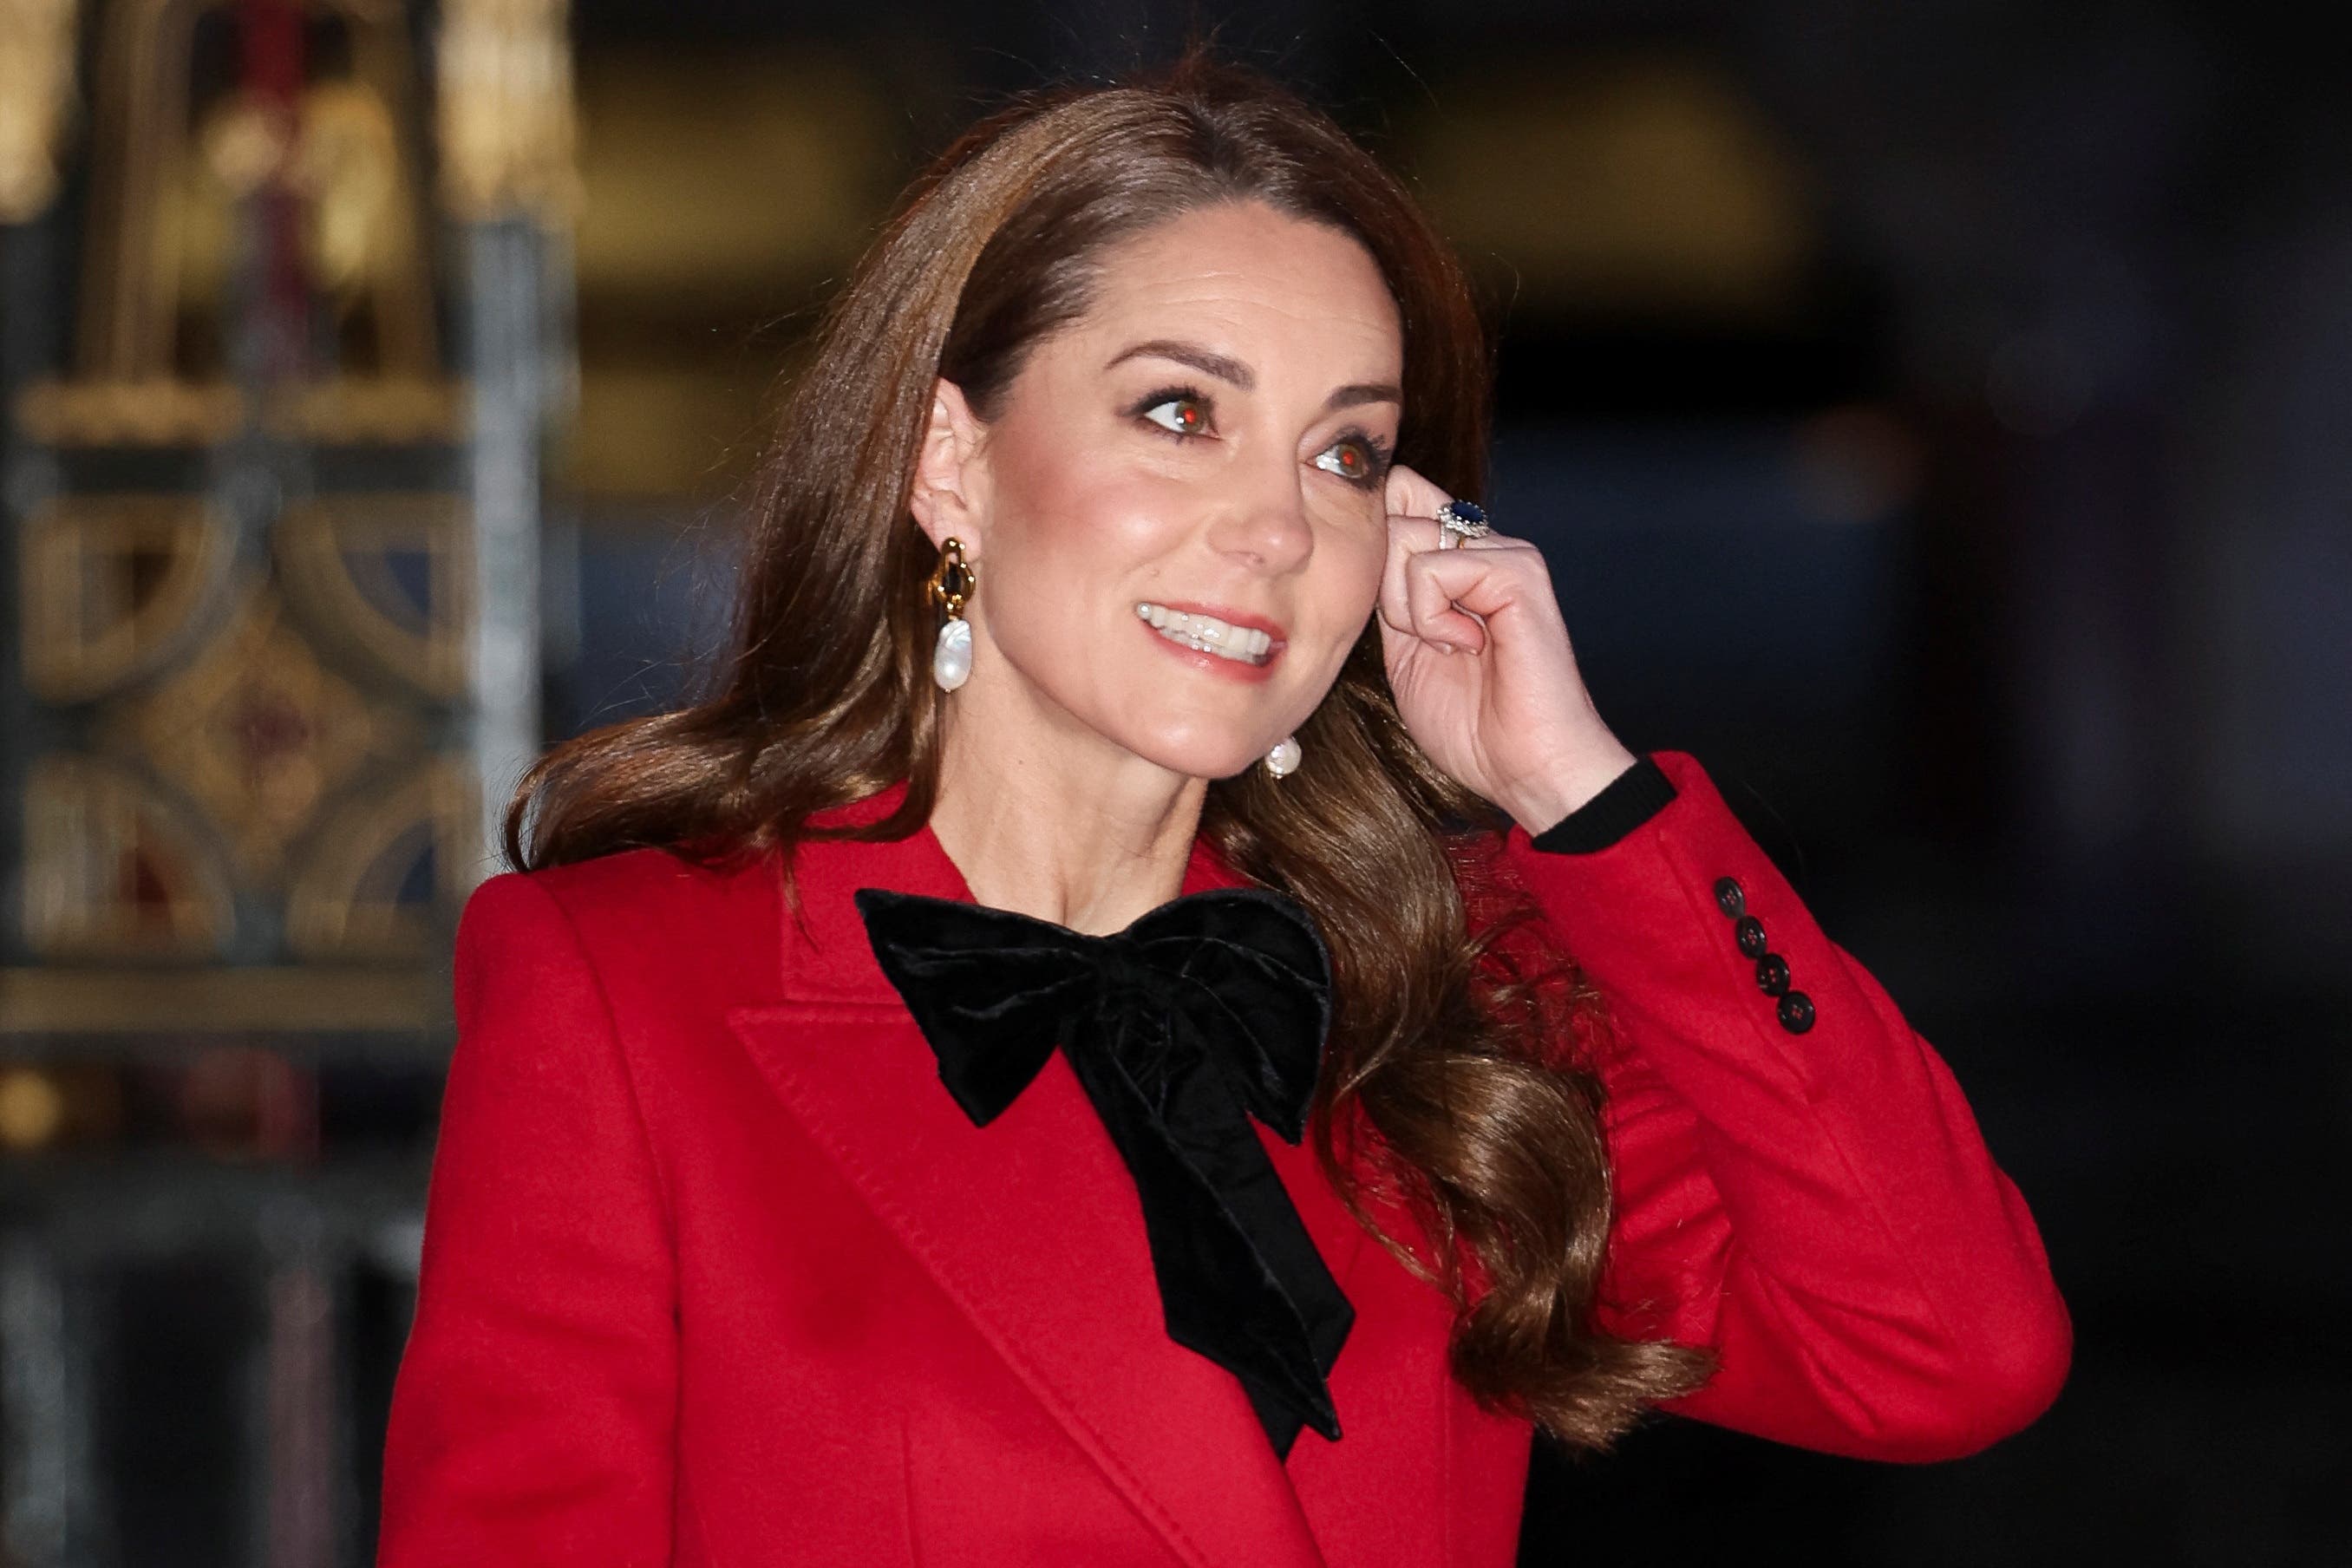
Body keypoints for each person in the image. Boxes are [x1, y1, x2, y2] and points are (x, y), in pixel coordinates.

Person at [377, 55, 2070, 1568]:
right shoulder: (621, 986)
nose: (1274, 528)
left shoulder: (1456, 995)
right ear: (952, 465)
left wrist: (1585, 795)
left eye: (1346, 456)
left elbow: (1945, 1352)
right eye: (1180, 414)